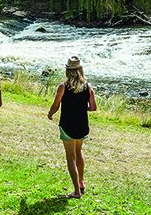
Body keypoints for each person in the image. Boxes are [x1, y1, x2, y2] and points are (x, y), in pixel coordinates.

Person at [47, 56, 97, 198]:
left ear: (68, 71)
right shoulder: (88, 87)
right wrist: (82, 107)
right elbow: (93, 107)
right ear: (81, 70)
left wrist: (50, 113)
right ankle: (81, 183)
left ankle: (76, 191)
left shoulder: (63, 87)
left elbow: (56, 105)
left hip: (67, 125)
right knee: (78, 151)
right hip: (82, 125)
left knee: (70, 157)